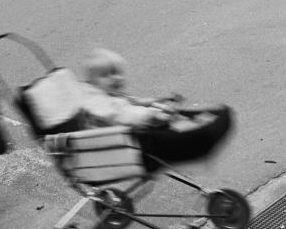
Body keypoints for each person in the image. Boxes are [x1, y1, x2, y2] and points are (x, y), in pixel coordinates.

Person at [79, 47, 231, 168]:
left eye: (118, 73)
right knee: (173, 125)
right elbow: (123, 114)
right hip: (127, 146)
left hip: (136, 135)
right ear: (92, 82)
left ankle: (192, 127)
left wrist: (160, 101)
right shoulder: (99, 103)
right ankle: (194, 132)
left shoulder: (112, 94)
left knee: (174, 118)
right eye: (107, 75)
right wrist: (151, 114)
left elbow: (136, 103)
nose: (116, 78)